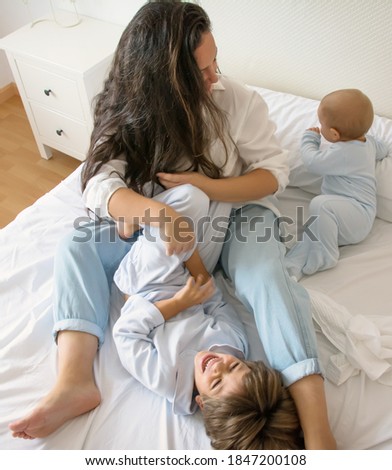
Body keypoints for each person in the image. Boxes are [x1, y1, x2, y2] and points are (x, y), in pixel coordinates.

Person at [9, 1, 335, 449]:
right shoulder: (126, 113)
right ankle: (74, 381)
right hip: (164, 232)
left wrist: (206, 187)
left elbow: (272, 175)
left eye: (214, 62)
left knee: (265, 275)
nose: (214, 77)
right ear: (162, 82)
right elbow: (99, 182)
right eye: (200, 70)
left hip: (236, 214)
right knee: (77, 243)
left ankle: (317, 428)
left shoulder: (235, 102)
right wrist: (154, 213)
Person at [112, 185, 303, 449]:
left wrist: (178, 303)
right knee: (215, 199)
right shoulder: (235, 344)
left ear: (201, 402)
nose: (219, 365)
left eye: (215, 381)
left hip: (144, 286)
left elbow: (126, 334)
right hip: (184, 280)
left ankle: (129, 221)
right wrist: (198, 273)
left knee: (190, 199)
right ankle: (147, 220)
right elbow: (216, 302)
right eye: (234, 367)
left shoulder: (167, 379)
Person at [285, 89, 389, 280]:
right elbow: (383, 150)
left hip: (357, 214)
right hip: (349, 216)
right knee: (309, 235)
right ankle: (290, 269)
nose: (319, 127)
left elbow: (312, 161)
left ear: (334, 134)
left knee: (320, 204)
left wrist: (310, 139)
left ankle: (326, 256)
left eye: (321, 124)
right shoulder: (369, 143)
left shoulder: (343, 152)